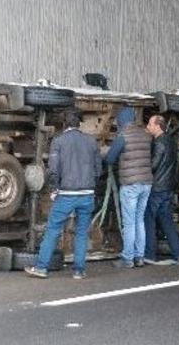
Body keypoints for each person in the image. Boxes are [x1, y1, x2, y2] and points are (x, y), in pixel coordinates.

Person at [26, 109, 101, 280]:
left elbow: (53, 170)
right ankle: (79, 271)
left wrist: (54, 189)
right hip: (87, 194)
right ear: (78, 124)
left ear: (64, 124)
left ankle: (41, 268)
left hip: (66, 194)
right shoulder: (91, 141)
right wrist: (91, 186)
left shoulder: (58, 142)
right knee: (82, 232)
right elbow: (98, 170)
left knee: (53, 229)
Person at [105, 107, 154, 268]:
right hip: (146, 183)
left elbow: (110, 158)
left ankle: (127, 258)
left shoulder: (122, 136)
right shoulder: (146, 134)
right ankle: (139, 257)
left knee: (129, 222)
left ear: (121, 121)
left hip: (130, 184)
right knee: (139, 220)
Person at [143, 115, 179, 266]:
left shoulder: (159, 143)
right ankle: (178, 253)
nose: (148, 126)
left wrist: (143, 166)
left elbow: (153, 165)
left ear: (158, 126)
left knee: (149, 220)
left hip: (157, 188)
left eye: (150, 124)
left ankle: (149, 254)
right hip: (168, 187)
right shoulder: (171, 141)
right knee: (167, 221)